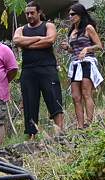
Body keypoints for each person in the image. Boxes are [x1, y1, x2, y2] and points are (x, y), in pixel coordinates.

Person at [13, 1, 64, 137]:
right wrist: (38, 39)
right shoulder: (21, 29)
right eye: (27, 13)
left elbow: (50, 40)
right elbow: (17, 41)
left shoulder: (48, 25)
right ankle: (31, 136)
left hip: (47, 68)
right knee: (30, 104)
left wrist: (27, 44)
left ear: (39, 12)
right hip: (28, 71)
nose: (29, 16)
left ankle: (59, 133)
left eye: (32, 13)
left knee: (54, 99)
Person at [63, 3, 103, 129]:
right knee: (75, 96)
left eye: (73, 14)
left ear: (80, 14)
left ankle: (89, 123)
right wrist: (68, 48)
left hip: (87, 63)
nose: (70, 16)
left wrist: (87, 48)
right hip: (75, 64)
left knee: (86, 93)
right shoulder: (72, 31)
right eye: (69, 14)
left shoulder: (88, 28)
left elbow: (99, 46)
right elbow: (74, 51)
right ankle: (80, 126)